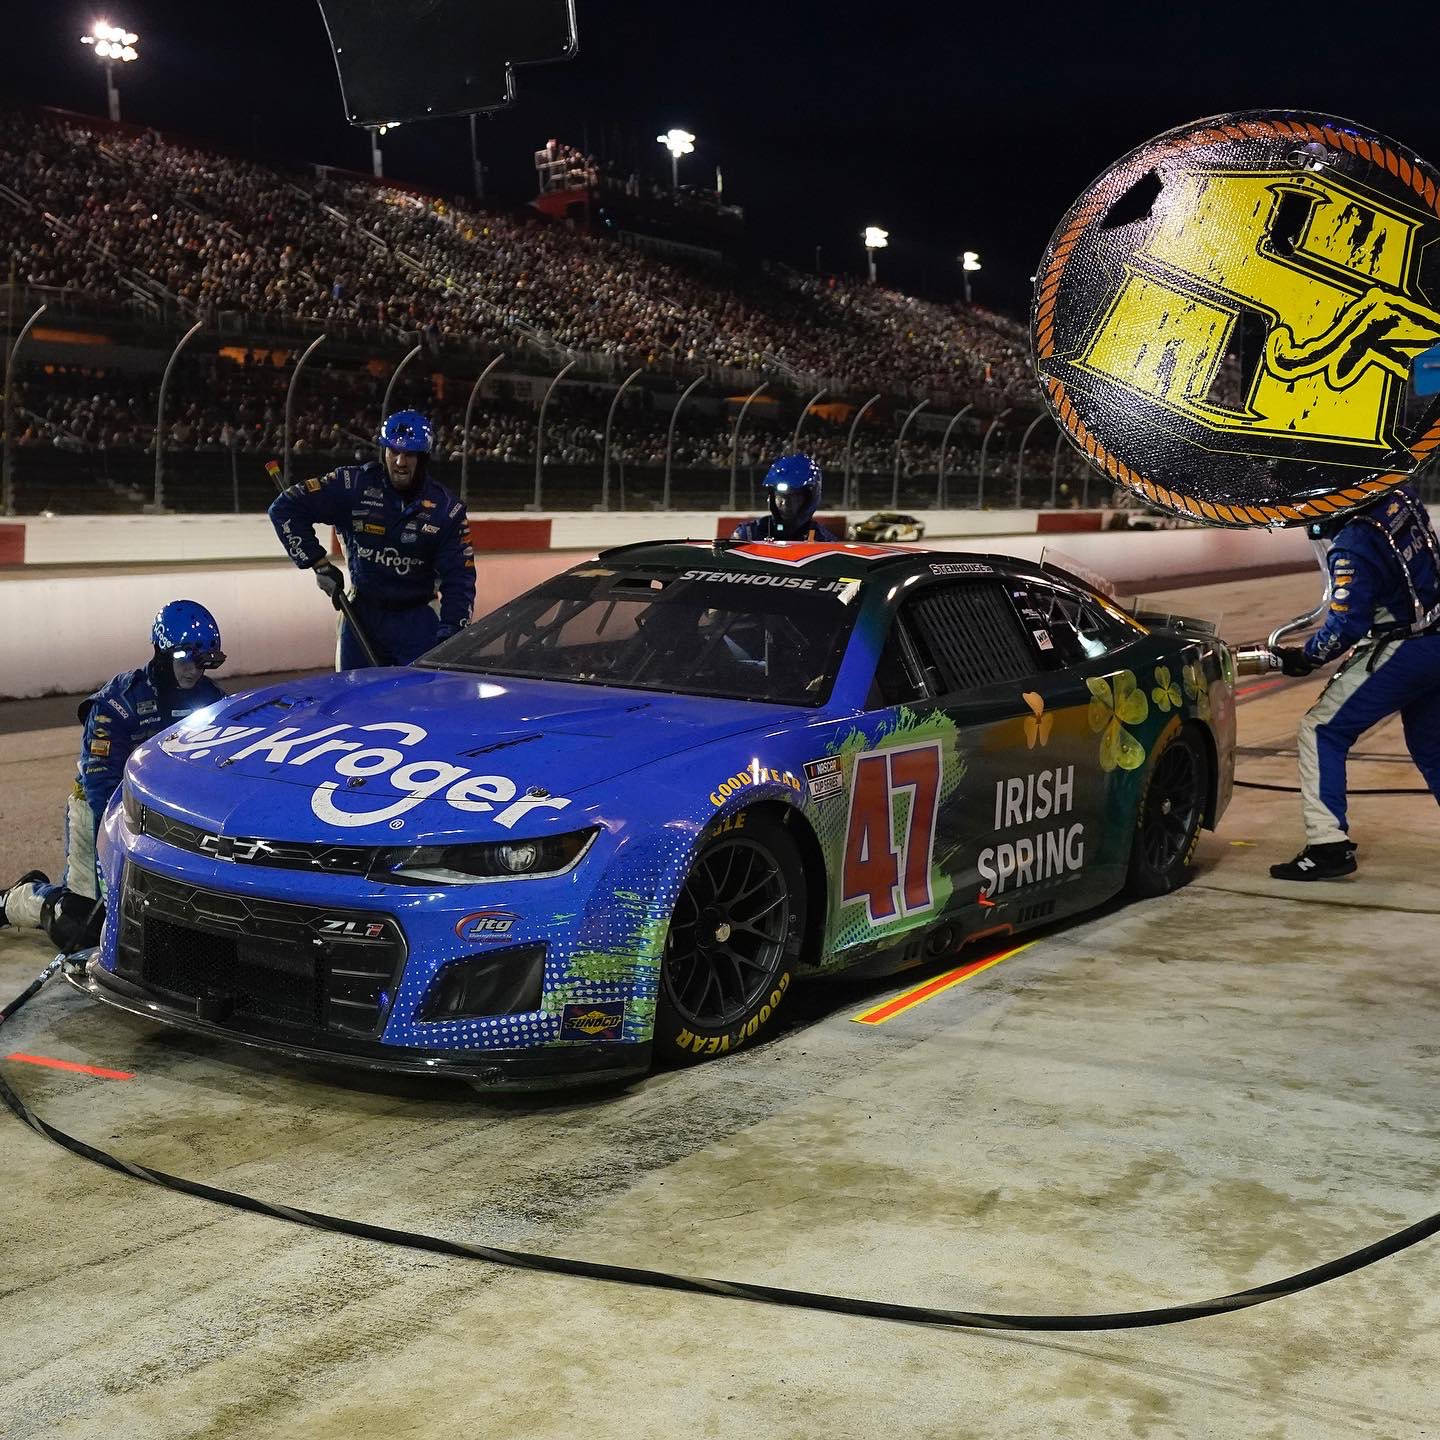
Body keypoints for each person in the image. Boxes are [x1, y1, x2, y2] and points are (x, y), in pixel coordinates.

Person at [0, 601, 227, 951]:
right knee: (82, 923)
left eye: (206, 661)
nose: (194, 671)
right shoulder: (118, 702)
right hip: (103, 809)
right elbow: (99, 783)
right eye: (185, 658)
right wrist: (121, 844)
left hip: (169, 814)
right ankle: (23, 898)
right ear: (161, 651)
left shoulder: (214, 701)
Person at [1269, 483, 1440, 881]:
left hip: (1404, 649)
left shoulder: (1352, 544)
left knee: (1320, 729)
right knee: (1432, 745)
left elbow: (1346, 625)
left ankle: (1328, 846)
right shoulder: (1400, 496)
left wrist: (1306, 658)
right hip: (1434, 637)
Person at [269, 409, 476, 668]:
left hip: (418, 622)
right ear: (383, 451)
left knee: (419, 704)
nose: (400, 462)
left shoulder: (447, 509)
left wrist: (451, 636)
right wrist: (318, 563)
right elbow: (285, 508)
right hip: (360, 618)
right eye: (393, 451)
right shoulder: (351, 485)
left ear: (423, 458)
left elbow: (460, 580)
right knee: (352, 701)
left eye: (409, 454)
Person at [733, 454, 839, 542]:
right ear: (772, 497)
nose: (786, 504)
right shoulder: (749, 535)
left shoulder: (824, 542)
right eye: (780, 496)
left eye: (795, 497)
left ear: (810, 500)